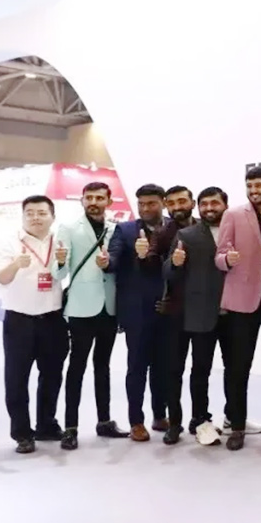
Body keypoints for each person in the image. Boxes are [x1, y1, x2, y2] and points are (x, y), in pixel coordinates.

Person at [215, 167, 261, 450]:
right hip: (242, 301)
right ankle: (237, 426)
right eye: (249, 185)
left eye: (259, 185)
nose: (253, 190)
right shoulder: (233, 215)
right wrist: (227, 260)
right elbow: (219, 255)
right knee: (238, 367)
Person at [57, 181, 128, 448]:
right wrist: (60, 261)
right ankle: (70, 427)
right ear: (82, 200)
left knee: (103, 366)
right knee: (76, 367)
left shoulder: (116, 228)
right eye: (89, 198)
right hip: (81, 308)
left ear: (109, 201)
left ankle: (104, 421)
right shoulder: (68, 228)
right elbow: (60, 273)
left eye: (99, 198)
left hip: (109, 308)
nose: (94, 202)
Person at [0, 195, 69, 454]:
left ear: (52, 216)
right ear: (23, 216)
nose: (36, 218)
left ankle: (46, 425)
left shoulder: (61, 241)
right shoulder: (10, 241)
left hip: (53, 319)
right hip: (20, 320)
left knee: (52, 376)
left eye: (41, 213)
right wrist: (16, 264)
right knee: (16, 379)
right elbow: (1, 278)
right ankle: (22, 433)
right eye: (30, 213)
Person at [162, 187, 229, 446]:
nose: (209, 208)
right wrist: (175, 262)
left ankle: (201, 420)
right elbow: (168, 272)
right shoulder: (186, 234)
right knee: (175, 371)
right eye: (205, 204)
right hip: (184, 313)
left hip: (218, 313)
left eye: (215, 203)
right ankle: (174, 423)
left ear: (225, 205)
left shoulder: (233, 231)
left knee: (202, 370)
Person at [107, 183, 172, 441]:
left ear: (163, 203)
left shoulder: (175, 227)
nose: (145, 208)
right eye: (141, 204)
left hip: (169, 309)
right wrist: (106, 262)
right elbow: (113, 258)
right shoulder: (125, 230)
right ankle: (136, 420)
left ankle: (160, 414)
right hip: (137, 312)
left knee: (163, 366)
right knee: (137, 366)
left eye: (151, 203)